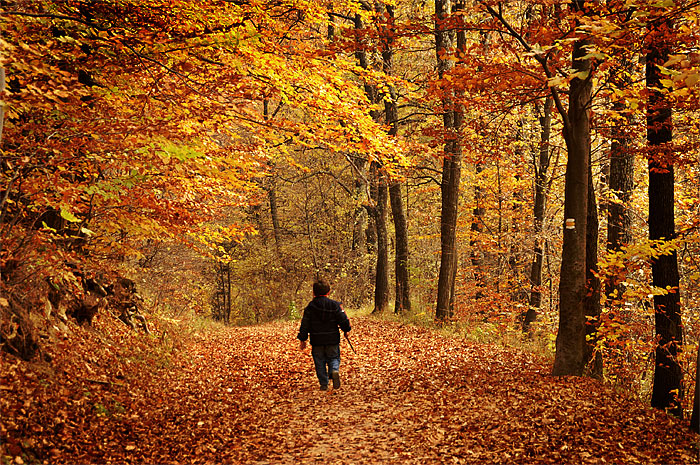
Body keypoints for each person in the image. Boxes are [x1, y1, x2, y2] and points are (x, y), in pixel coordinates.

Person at [297, 278, 351, 391]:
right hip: (332, 339)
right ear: (328, 292)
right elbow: (343, 319)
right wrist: (346, 329)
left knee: (319, 361)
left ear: (313, 292)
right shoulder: (335, 305)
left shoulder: (310, 307)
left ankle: (324, 384)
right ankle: (334, 370)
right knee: (334, 357)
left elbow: (305, 324)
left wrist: (303, 339)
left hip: (317, 340)